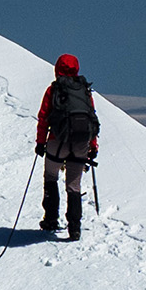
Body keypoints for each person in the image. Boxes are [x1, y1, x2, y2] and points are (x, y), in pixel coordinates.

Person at [36, 53, 100, 239]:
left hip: (57, 141)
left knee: (51, 176)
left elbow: (43, 117)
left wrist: (40, 142)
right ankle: (75, 227)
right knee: (74, 184)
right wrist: (92, 146)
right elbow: (91, 118)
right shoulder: (84, 91)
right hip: (80, 143)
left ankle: (50, 219)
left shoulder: (53, 90)